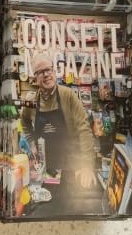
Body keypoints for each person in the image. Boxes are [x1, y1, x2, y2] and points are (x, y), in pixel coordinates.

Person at [20, 53, 97, 191]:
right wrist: (31, 142)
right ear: (35, 78)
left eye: (48, 69)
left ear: (54, 71)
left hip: (70, 163)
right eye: (40, 72)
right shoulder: (31, 101)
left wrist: (86, 165)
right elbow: (24, 121)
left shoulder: (68, 95)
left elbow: (84, 129)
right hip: (45, 165)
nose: (46, 74)